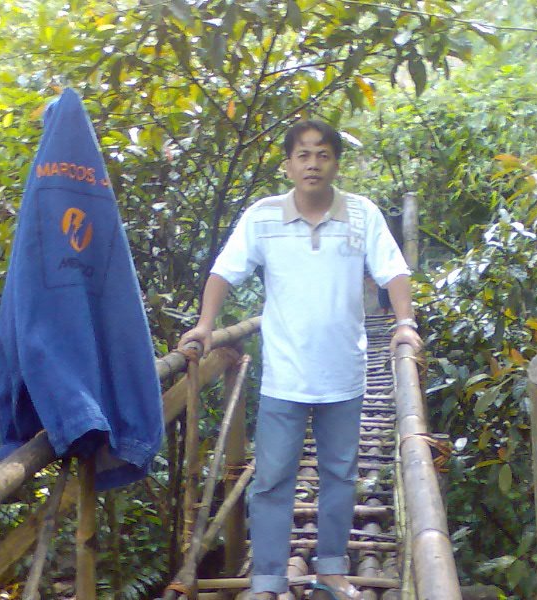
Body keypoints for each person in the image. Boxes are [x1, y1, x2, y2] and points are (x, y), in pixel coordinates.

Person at [178, 120, 423, 600]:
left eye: (323, 154)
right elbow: (223, 271)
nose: (313, 164)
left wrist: (404, 323)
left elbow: (393, 270)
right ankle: (268, 578)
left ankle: (331, 570)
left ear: (335, 162)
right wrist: (206, 325)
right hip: (283, 376)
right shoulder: (263, 216)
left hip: (346, 375)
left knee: (339, 475)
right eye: (303, 155)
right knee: (271, 480)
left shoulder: (362, 214)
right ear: (288, 164)